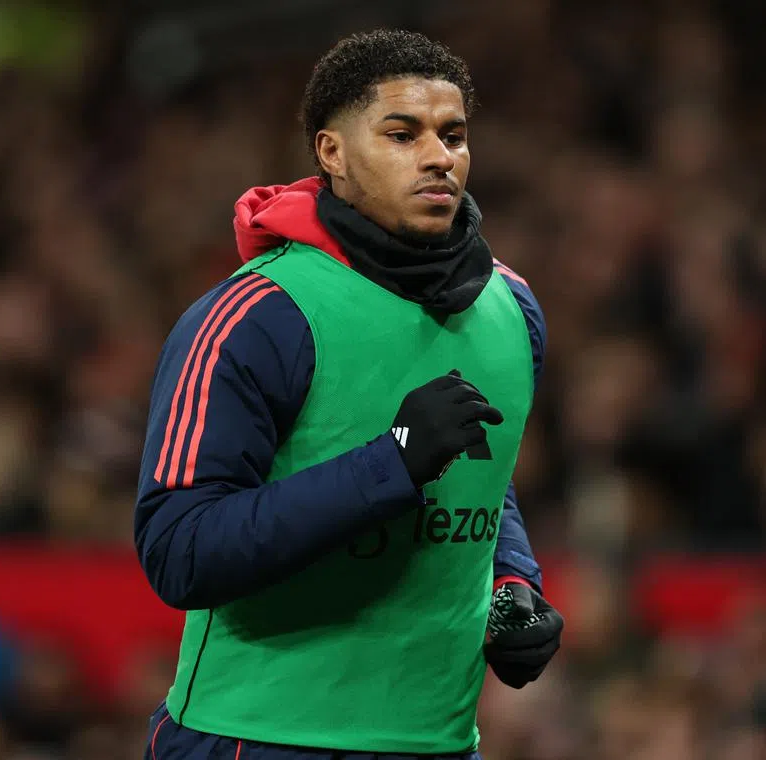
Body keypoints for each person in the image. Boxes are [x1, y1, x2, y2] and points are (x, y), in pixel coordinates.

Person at [134, 28, 564, 760]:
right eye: (402, 134)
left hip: (439, 743)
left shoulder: (511, 309)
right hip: (258, 739)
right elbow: (180, 550)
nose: (439, 157)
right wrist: (390, 462)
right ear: (331, 153)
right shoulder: (255, 315)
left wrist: (512, 584)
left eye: (453, 135)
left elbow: (481, 478)